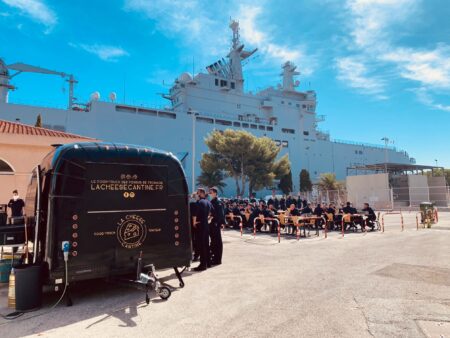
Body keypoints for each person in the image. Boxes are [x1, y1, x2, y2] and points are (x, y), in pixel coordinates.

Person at [194, 188, 213, 271]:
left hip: (200, 225)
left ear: (201, 193)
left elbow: (195, 214)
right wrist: (208, 219)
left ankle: (203, 265)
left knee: (201, 245)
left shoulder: (199, 202)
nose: (196, 194)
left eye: (197, 192)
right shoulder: (208, 202)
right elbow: (212, 213)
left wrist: (194, 222)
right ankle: (208, 263)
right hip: (206, 224)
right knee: (206, 244)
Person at [209, 187, 224, 265]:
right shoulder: (212, 201)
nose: (209, 194)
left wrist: (218, 223)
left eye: (211, 192)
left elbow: (220, 214)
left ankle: (217, 259)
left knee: (217, 242)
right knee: (213, 241)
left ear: (215, 193)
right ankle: (214, 257)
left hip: (215, 224)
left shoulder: (218, 202)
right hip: (212, 224)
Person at [189, 193, 200, 261]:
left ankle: (195, 254)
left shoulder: (193, 204)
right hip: (197, 224)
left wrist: (193, 223)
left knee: (194, 239)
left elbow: (194, 215)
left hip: (194, 224)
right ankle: (196, 253)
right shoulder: (198, 203)